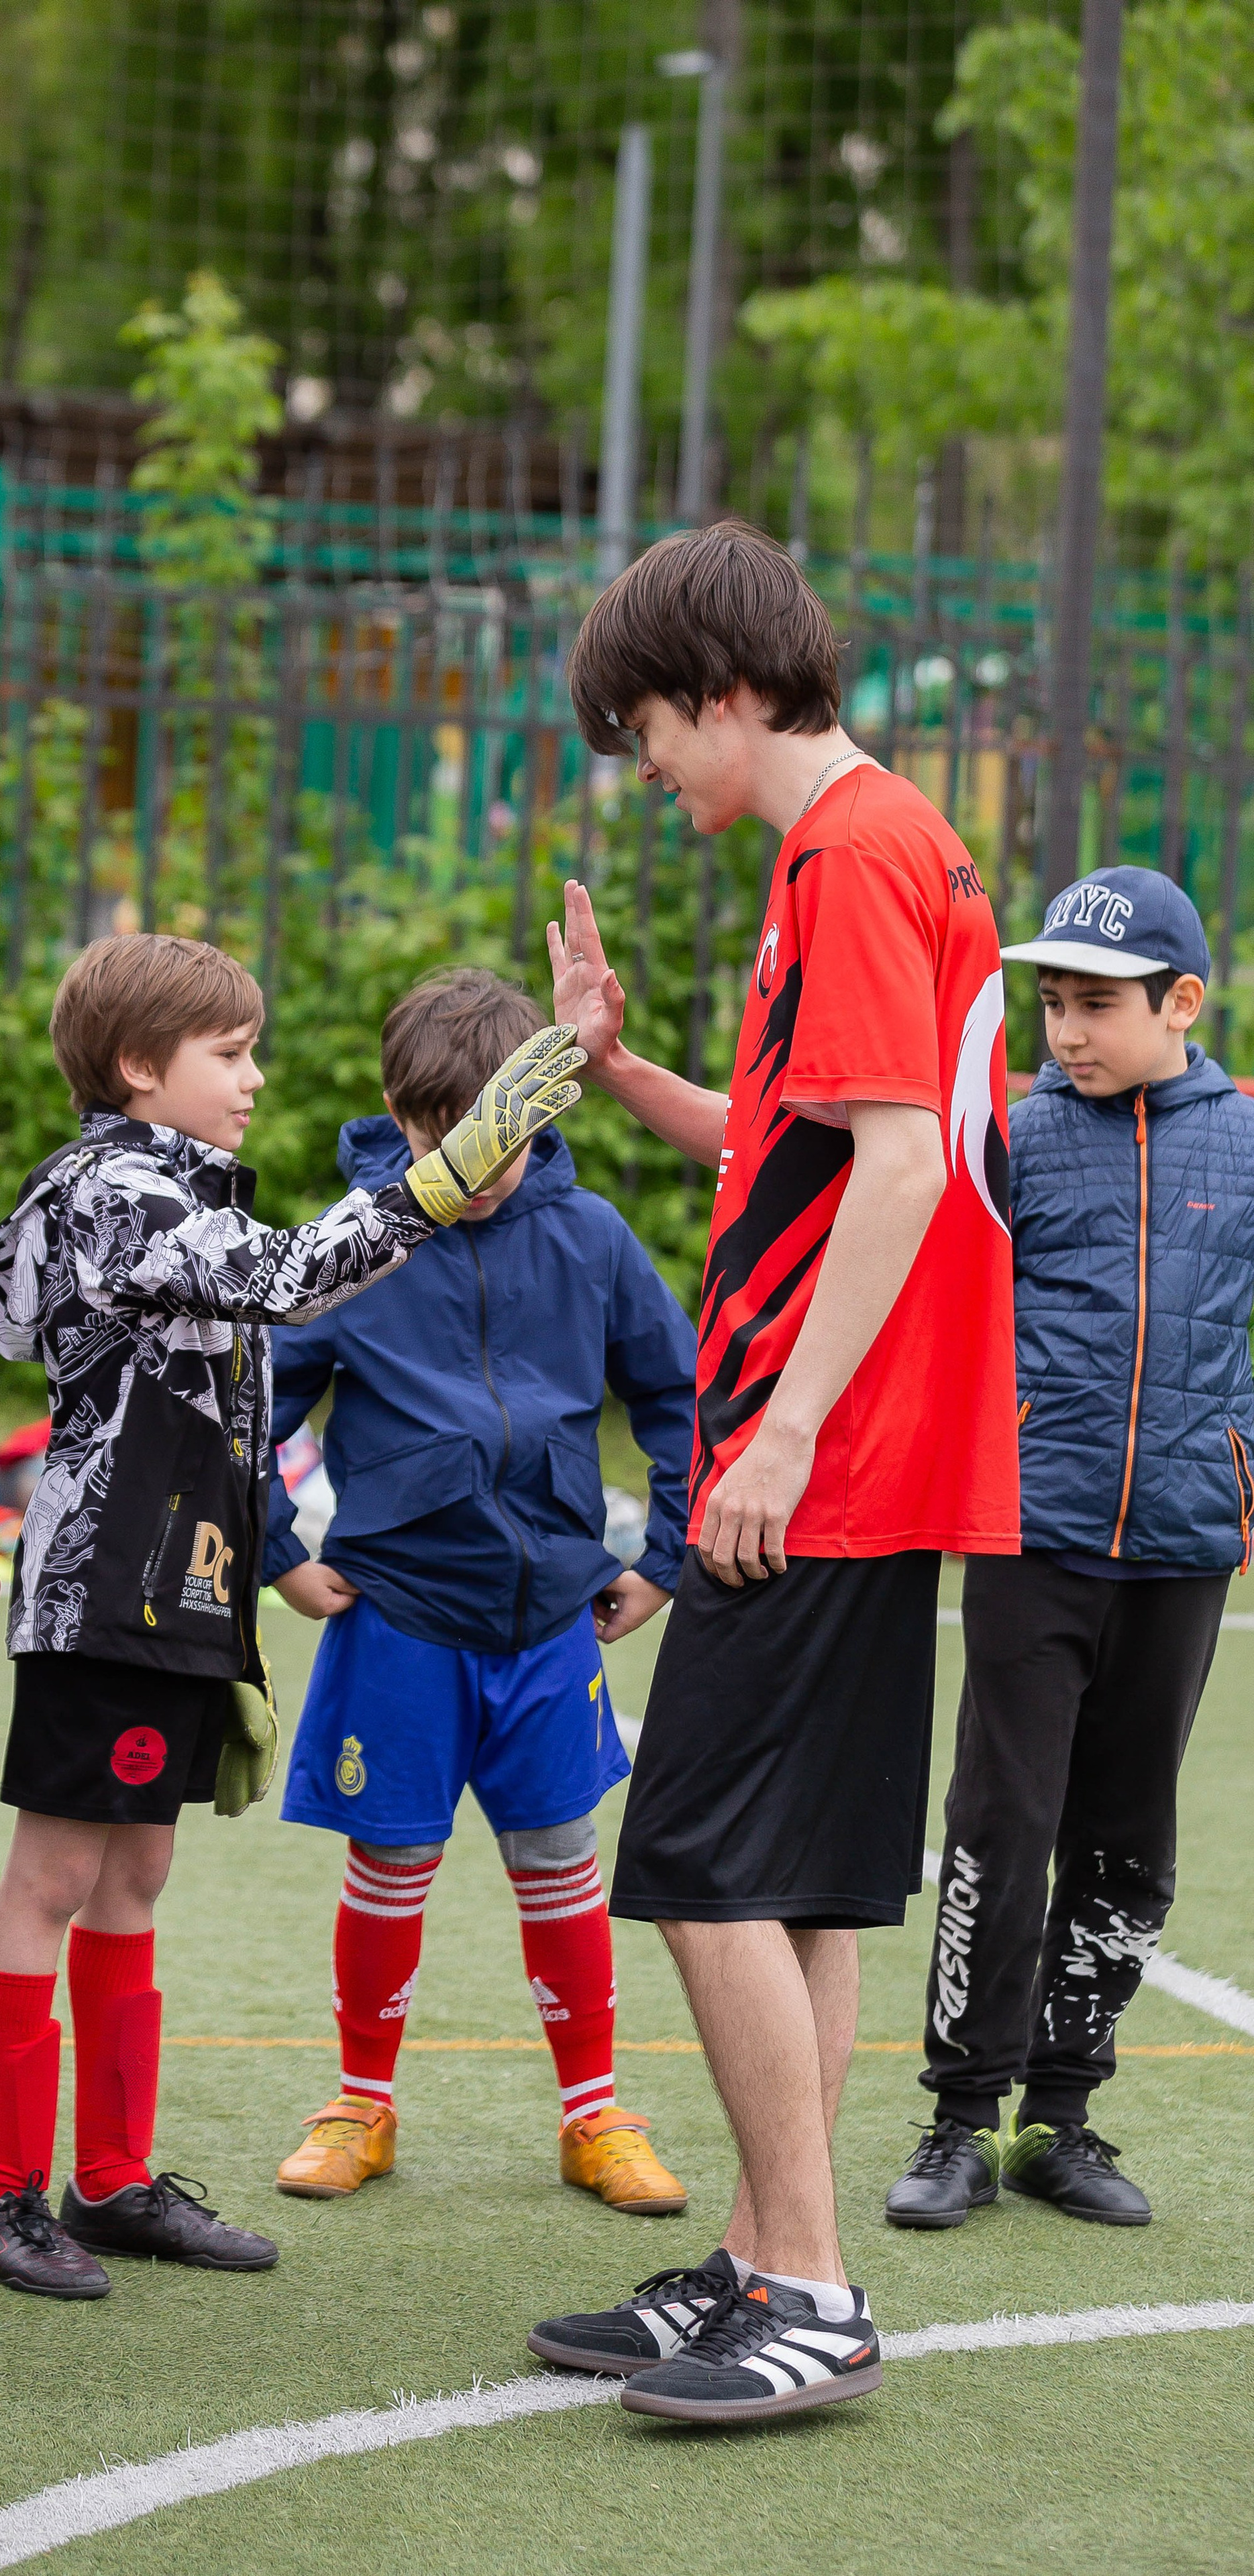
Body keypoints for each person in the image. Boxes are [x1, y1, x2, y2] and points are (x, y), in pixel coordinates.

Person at [525, 521, 1017, 2426]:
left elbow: (899, 1165)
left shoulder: (858, 848)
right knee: (797, 1884)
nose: (643, 768)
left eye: (645, 727)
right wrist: (623, 1070)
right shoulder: (868, 846)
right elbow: (809, 1141)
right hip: (847, 1456)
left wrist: (785, 1433)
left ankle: (804, 2284)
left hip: (826, 1457)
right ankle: (765, 2256)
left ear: (726, 692)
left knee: (707, 1863)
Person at [0, 930, 582, 2295]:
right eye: (228, 1054)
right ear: (136, 1067)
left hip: (180, 1582)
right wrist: (467, 1152)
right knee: (55, 1879)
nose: (253, 1077)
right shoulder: (116, 1183)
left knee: (133, 1875)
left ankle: (109, 2178)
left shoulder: (162, 1186)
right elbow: (290, 1275)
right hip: (101, 1589)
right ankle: (3, 2198)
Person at [263, 967, 696, 2214]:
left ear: (541, 1106)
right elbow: (249, 1412)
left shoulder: (593, 1237)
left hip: (551, 1618)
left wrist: (662, 1559)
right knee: (389, 1862)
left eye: (501, 1133)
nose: (481, 1164)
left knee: (562, 1861)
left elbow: (675, 1398)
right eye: (443, 1135)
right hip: (398, 1616)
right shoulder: (349, 1245)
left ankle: (594, 2117)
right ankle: (360, 2104)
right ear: (401, 1115)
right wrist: (281, 1549)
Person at [886, 867, 1253, 2231]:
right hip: (1029, 1535)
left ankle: (1062, 2115)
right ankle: (956, 2119)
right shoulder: (1013, 1140)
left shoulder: (1244, 1143)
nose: (1066, 1032)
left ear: (1181, 1004)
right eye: (1049, 1004)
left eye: (1095, 1005)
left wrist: (1239, 1473)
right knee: (997, 1821)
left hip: (1180, 1552)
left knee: (1126, 1834)